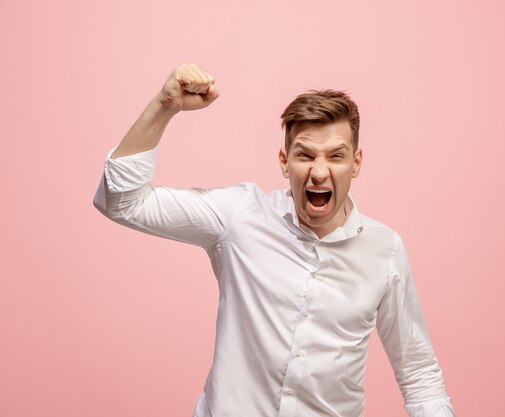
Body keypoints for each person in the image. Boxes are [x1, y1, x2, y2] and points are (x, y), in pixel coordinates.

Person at [93, 63, 456, 417]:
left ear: (356, 163)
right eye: (305, 155)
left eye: (336, 156)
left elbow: (418, 374)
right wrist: (165, 104)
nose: (318, 171)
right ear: (284, 161)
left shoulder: (385, 250)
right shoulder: (240, 217)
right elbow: (121, 201)